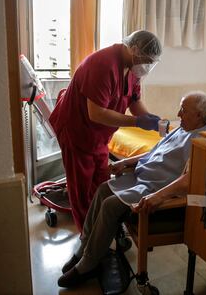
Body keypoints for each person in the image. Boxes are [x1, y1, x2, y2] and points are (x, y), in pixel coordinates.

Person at [57, 92, 206, 288]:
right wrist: (125, 162)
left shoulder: (202, 142)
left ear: (199, 115)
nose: (178, 113)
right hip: (141, 177)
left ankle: (89, 263)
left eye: (184, 110)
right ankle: (84, 246)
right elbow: (154, 151)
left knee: (110, 205)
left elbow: (187, 181)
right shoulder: (182, 129)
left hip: (155, 188)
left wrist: (158, 196)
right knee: (103, 189)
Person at [49, 30, 163, 231]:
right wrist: (137, 122)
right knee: (82, 190)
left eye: (151, 62)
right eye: (146, 60)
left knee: (102, 183)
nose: (147, 66)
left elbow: (134, 100)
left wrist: (152, 121)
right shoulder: (103, 64)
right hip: (77, 131)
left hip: (99, 137)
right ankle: (88, 238)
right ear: (134, 49)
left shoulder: (132, 70)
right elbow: (97, 114)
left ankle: (101, 229)